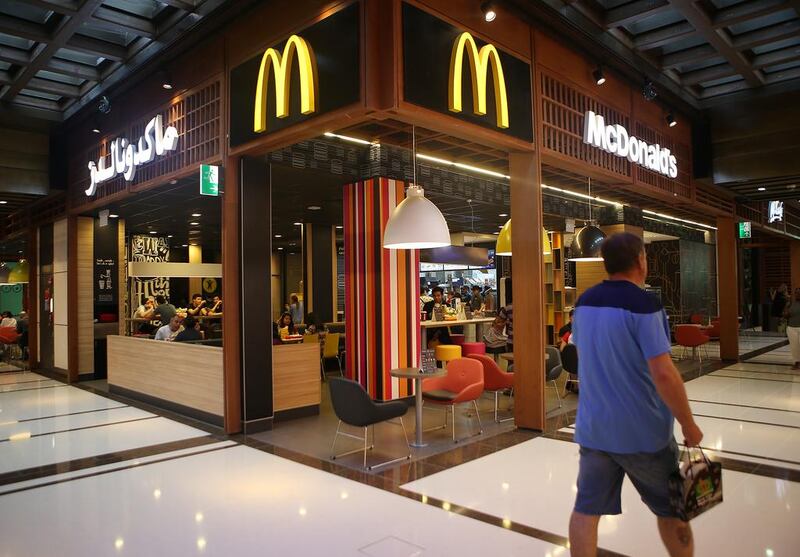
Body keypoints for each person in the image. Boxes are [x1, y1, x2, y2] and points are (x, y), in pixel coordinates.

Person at [569, 232, 703, 557]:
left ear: (605, 263)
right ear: (641, 260)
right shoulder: (646, 306)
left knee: (586, 512)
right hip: (644, 436)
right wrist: (688, 424)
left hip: (594, 431)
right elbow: (663, 373)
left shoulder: (583, 304)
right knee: (673, 511)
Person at [785, 288, 800, 369]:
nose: (797, 294)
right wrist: (787, 306)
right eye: (796, 293)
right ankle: (797, 362)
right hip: (791, 328)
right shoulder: (792, 303)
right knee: (794, 346)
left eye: (799, 293)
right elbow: (786, 315)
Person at [498, 279, 513, 352]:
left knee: (511, 360)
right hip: (526, 339)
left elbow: (499, 321)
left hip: (511, 339)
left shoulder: (508, 308)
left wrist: (507, 322)